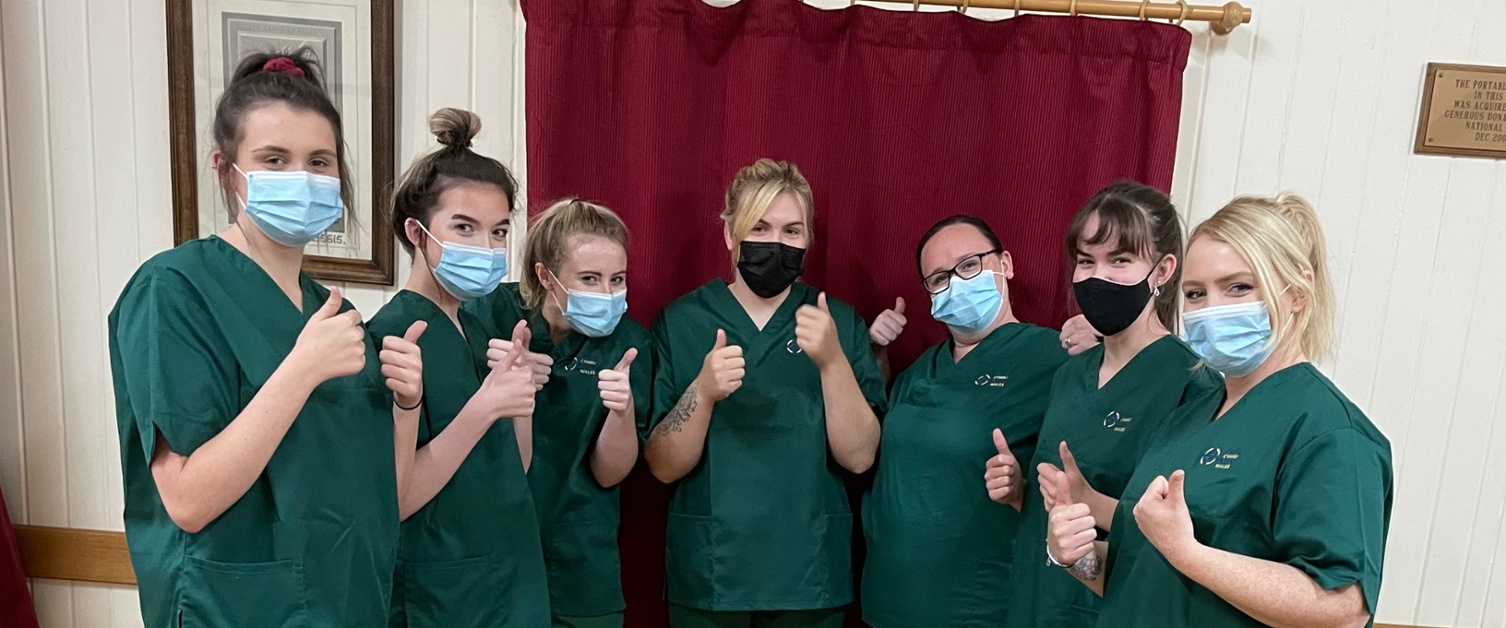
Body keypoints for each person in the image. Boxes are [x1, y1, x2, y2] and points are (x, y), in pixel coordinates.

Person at [109, 49, 422, 627]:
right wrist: (301, 370)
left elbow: (385, 499)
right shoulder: (175, 290)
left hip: (348, 600)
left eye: (319, 161)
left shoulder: (334, 316)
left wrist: (406, 406)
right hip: (234, 607)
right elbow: (188, 499)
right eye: (274, 160)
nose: (301, 178)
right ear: (226, 169)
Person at [1047, 193, 1393, 627]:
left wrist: (1189, 554)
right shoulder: (1188, 417)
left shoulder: (1328, 432)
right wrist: (1075, 556)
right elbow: (1136, 575)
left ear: (1298, 292)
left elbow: (1341, 608)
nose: (1211, 309)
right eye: (1195, 293)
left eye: (1239, 287)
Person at [644, 159, 886, 628]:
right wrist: (704, 391)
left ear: (809, 240)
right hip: (713, 573)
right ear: (729, 234)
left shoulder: (837, 322)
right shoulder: (683, 322)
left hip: (807, 574)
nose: (776, 243)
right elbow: (662, 465)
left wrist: (833, 361)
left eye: (792, 231)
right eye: (759, 226)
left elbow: (859, 458)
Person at [1005, 182, 1221, 628]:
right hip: (1035, 601)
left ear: (1162, 271)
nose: (1096, 276)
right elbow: (1052, 510)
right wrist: (1018, 491)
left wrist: (1092, 508)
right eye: (1087, 261)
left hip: (1109, 608)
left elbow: (1173, 545)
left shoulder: (1191, 385)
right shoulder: (1070, 374)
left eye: (1120, 260)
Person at [369, 108, 551, 627]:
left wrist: (519, 402)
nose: (486, 248)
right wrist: (484, 405)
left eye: (498, 232)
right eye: (464, 228)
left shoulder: (478, 326)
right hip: (440, 594)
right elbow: (396, 499)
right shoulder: (392, 338)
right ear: (417, 231)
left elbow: (512, 466)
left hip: (510, 579)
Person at [859, 215, 1068, 627]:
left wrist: (1020, 485)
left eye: (969, 265)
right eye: (939, 278)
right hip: (888, 602)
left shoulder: (1052, 358)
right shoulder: (920, 371)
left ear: (1005, 264)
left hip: (976, 607)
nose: (955, 283)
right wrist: (874, 355)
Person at [466, 198, 651, 628]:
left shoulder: (630, 344)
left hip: (582, 565)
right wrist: (503, 383)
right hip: (490, 556)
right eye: (589, 278)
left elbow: (609, 474)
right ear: (545, 276)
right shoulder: (489, 316)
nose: (606, 294)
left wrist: (621, 411)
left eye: (617, 279)